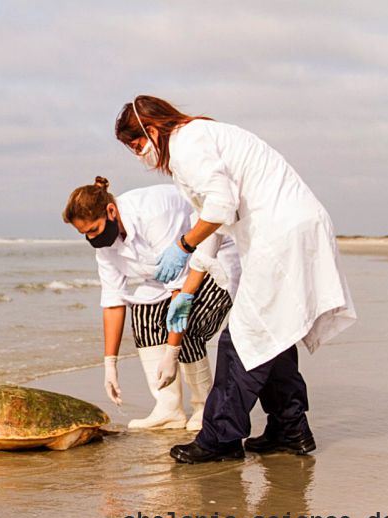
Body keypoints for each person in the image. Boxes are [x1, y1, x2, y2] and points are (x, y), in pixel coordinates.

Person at [114, 95, 357, 463]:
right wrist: (187, 292)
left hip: (281, 235)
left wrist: (181, 244)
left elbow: (220, 207)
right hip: (291, 230)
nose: (138, 155)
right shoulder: (197, 140)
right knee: (274, 333)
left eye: (136, 146)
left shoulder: (187, 142)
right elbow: (211, 226)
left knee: (243, 337)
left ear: (152, 129)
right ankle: (290, 429)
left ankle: (219, 439)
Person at [62, 176, 240, 431]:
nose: (91, 238)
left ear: (111, 211)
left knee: (189, 327)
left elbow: (181, 293)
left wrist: (172, 352)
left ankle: (204, 405)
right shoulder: (105, 245)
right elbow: (113, 302)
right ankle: (168, 408)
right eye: (84, 234)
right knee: (143, 316)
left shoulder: (153, 213)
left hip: (213, 263)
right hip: (165, 278)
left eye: (93, 230)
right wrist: (110, 365)